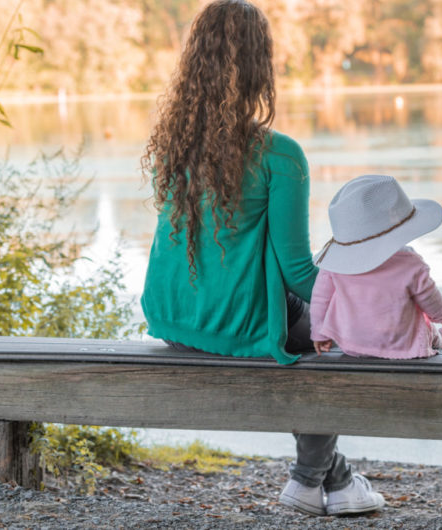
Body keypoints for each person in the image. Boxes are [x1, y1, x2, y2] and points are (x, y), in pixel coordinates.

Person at [139, 0, 383, 517]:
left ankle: (336, 482)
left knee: (308, 320)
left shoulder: (173, 146)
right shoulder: (280, 154)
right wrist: (366, 303)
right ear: (259, 68)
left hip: (173, 316)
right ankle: (305, 481)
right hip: (237, 323)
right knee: (329, 338)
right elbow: (297, 271)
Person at [311, 175, 442, 358]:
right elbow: (429, 297)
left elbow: (320, 300)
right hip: (402, 344)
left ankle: (437, 337)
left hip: (352, 342)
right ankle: (440, 339)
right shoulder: (410, 263)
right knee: (424, 326)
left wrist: (319, 334)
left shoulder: (334, 265)